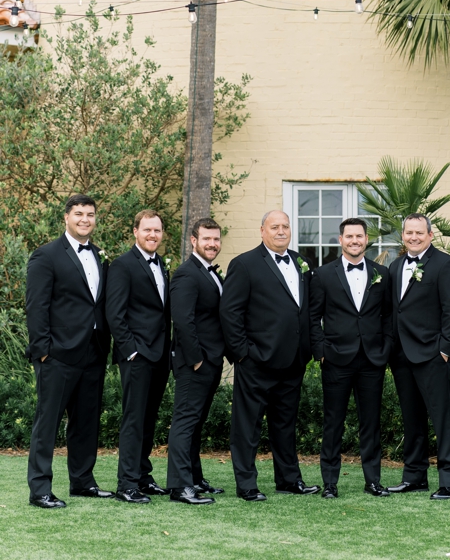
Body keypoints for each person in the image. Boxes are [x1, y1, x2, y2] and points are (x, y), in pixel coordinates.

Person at [220, 208, 319, 499]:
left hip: (293, 361)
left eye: (285, 226)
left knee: (285, 425)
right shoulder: (245, 264)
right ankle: (247, 484)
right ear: (262, 230)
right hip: (256, 361)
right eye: (274, 226)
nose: (281, 231)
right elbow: (230, 312)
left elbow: (307, 310)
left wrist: (309, 350)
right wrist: (243, 354)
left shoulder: (302, 262)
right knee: (247, 427)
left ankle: (289, 479)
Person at [25, 194, 114, 509]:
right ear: (66, 217)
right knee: (47, 423)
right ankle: (40, 490)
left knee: (86, 421)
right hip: (58, 354)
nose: (85, 220)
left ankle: (83, 482)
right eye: (79, 214)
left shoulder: (101, 255)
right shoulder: (46, 255)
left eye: (90, 214)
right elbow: (36, 307)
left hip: (93, 351)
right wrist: (43, 351)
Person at [309, 216, 393, 498]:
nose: (355, 241)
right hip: (335, 359)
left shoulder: (382, 273)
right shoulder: (322, 275)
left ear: (366, 240)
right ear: (340, 240)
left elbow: (388, 316)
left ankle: (373, 481)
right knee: (333, 421)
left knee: (371, 422)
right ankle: (330, 482)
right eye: (349, 237)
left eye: (359, 236)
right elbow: (313, 317)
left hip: (372, 359)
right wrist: (320, 352)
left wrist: (385, 348)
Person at [384, 212, 450, 497]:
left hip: (432, 354)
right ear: (403, 235)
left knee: (441, 418)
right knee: (412, 418)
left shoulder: (446, 265)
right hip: (402, 356)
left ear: (430, 235)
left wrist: (444, 350)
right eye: (409, 233)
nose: (414, 237)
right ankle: (415, 475)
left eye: (420, 233)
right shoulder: (395, 266)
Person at [105, 209, 172, 504]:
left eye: (157, 231)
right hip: (136, 355)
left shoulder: (162, 266)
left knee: (149, 419)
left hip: (159, 356)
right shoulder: (122, 265)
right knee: (134, 419)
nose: (152, 235)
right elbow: (114, 314)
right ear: (135, 232)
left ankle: (143, 476)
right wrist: (131, 350)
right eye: (147, 230)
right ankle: (127, 484)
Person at [166, 217, 227, 503]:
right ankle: (180, 486)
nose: (212, 244)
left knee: (196, 422)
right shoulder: (186, 274)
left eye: (216, 239)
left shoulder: (209, 272)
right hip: (195, 362)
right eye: (207, 239)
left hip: (211, 359)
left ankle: (194, 478)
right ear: (194, 240)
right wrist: (197, 360)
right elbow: (182, 319)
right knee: (185, 421)